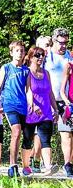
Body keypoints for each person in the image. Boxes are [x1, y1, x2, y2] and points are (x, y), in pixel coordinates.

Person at [0, 40, 30, 177]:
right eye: (17, 51)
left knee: (24, 135)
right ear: (11, 53)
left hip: (23, 106)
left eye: (22, 51)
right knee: (16, 131)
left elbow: (28, 90)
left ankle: (25, 165)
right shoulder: (6, 68)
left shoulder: (27, 70)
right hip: (10, 104)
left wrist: (32, 105)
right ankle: (12, 165)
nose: (20, 53)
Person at [24, 46, 59, 175]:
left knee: (45, 139)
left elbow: (50, 93)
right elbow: (27, 90)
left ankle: (48, 166)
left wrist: (55, 109)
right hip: (31, 111)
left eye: (42, 55)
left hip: (45, 112)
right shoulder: (27, 72)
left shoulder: (46, 73)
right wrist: (33, 104)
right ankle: (26, 166)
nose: (40, 58)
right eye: (37, 55)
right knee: (28, 139)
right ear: (31, 57)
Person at [45, 28, 73, 177]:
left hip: (65, 101)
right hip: (47, 101)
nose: (64, 46)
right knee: (43, 135)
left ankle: (68, 164)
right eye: (61, 42)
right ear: (54, 40)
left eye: (66, 43)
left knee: (67, 133)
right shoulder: (46, 55)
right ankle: (38, 162)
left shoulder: (70, 57)